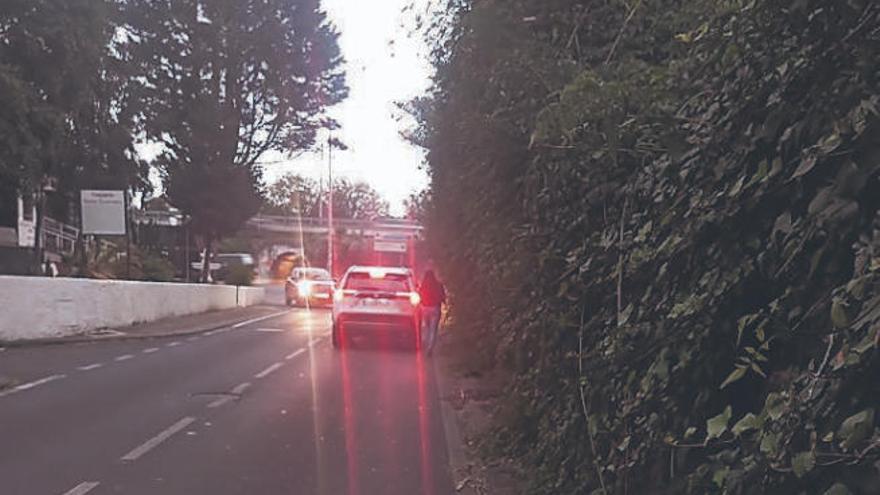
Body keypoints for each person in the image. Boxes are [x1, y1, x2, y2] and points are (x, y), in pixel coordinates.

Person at [418, 270, 446, 353]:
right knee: (433, 329)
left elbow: (420, 295)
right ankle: (430, 347)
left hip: (425, 308)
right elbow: (443, 296)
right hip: (435, 308)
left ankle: (427, 345)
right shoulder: (439, 285)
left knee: (427, 328)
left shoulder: (423, 285)